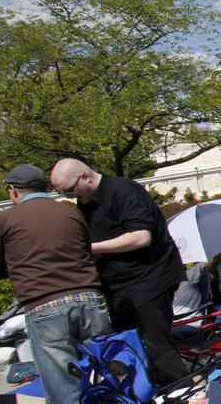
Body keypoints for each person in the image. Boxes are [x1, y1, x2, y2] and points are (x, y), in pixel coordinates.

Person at [0, 164, 117, 404]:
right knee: (101, 379)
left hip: (46, 307)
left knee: (65, 389)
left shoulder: (5, 220)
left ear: (13, 190)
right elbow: (84, 250)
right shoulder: (69, 213)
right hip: (91, 302)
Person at [48, 159, 189, 387]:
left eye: (69, 190)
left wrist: (90, 248)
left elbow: (141, 236)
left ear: (85, 176)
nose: (69, 196)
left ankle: (185, 393)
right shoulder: (86, 202)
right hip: (119, 285)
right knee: (129, 344)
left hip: (149, 277)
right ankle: (156, 396)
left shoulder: (123, 190)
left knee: (154, 343)